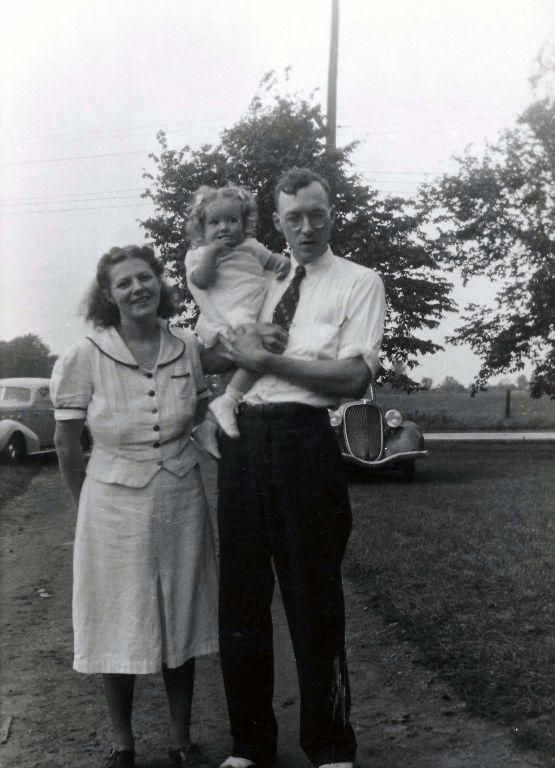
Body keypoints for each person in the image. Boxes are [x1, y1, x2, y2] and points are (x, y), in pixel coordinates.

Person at [215, 168, 386, 768]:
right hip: (241, 443)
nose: (306, 228)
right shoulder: (260, 276)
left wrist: (265, 360)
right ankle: (250, 744)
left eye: (316, 214)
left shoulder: (360, 282)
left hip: (303, 443)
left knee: (315, 602)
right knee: (238, 603)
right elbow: (223, 350)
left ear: (331, 212)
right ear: (280, 223)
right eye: (293, 218)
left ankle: (331, 746)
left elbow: (350, 378)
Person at [51, 245, 219, 768]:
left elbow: (196, 416)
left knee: (181, 613)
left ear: (160, 283)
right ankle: (123, 745)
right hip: (111, 501)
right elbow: (65, 442)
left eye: (144, 278)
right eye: (123, 283)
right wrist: (85, 506)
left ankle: (180, 739)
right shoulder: (87, 352)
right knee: (117, 614)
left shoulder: (186, 346)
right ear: (108, 295)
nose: (137, 289)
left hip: (179, 494)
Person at [184, 184, 290, 443]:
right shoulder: (199, 254)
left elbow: (275, 261)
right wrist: (212, 253)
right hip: (228, 315)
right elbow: (200, 280)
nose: (223, 228)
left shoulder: (252, 246)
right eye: (215, 222)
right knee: (257, 353)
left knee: (244, 374)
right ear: (202, 229)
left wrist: (284, 265)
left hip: (250, 312)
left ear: (244, 225)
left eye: (232, 221)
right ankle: (225, 404)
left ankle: (215, 421)